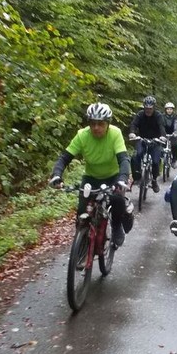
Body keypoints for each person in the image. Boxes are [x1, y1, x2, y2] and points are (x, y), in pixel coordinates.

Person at [49, 102, 134, 248]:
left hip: (113, 176)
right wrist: (57, 174)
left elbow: (123, 159)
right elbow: (64, 157)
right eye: (93, 123)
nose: (96, 127)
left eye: (100, 124)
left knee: (117, 200)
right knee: (82, 210)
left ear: (108, 124)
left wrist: (123, 178)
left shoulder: (115, 133)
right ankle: (81, 245)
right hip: (91, 177)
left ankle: (116, 226)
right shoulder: (82, 135)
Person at [128, 95, 165, 193]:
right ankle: (137, 177)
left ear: (154, 108)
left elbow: (162, 127)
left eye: (150, 108)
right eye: (146, 108)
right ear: (144, 107)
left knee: (156, 161)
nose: (148, 110)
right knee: (136, 156)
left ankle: (154, 180)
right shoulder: (140, 115)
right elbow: (133, 124)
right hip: (142, 140)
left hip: (155, 141)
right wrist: (132, 132)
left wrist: (162, 136)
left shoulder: (158, 116)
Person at [162, 102, 177, 167]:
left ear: (173, 110)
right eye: (168, 109)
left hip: (173, 133)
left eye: (171, 109)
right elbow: (161, 125)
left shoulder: (176, 116)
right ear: (165, 110)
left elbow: (176, 123)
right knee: (160, 145)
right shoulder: (162, 116)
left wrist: (175, 131)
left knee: (175, 145)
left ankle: (174, 161)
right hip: (164, 133)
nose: (169, 110)